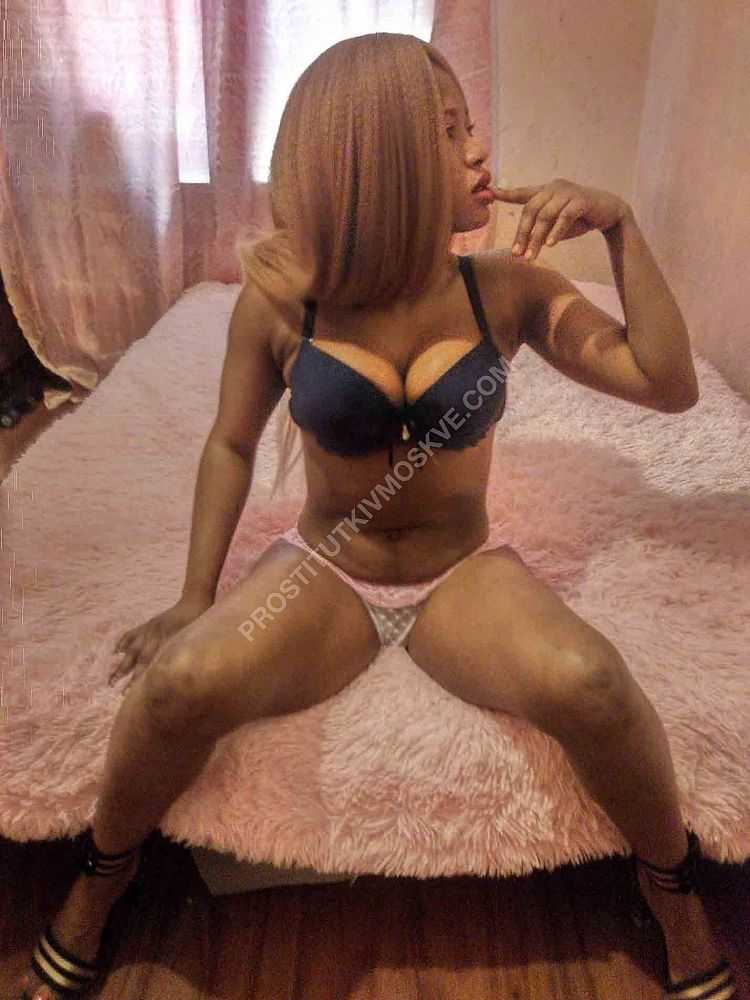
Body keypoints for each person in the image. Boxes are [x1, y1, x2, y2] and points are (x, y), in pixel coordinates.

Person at [18, 32, 735, 1000]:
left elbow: (667, 385)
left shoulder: (509, 290)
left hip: (460, 576)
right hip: (325, 574)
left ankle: (671, 888)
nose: (480, 150)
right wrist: (193, 596)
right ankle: (103, 879)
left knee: (594, 684)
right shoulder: (284, 305)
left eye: (471, 127)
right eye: (450, 131)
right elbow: (229, 444)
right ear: (383, 158)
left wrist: (623, 229)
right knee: (179, 685)